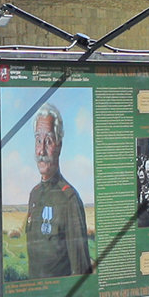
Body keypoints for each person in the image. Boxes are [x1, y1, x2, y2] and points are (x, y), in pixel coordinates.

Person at [24, 107, 91, 277]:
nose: (41, 150)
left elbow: (81, 271)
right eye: (38, 140)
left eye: (49, 140)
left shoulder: (69, 200)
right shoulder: (34, 195)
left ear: (59, 146)